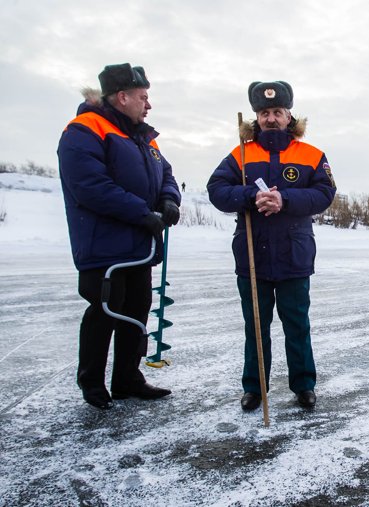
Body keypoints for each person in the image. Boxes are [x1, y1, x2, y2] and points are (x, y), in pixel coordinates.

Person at [58, 63, 181, 410]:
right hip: (103, 247)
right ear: (122, 96)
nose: (148, 104)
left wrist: (169, 199)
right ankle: (92, 383)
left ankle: (128, 378)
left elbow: (166, 173)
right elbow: (89, 186)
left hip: (138, 247)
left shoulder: (143, 138)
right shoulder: (84, 130)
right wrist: (141, 212)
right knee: (105, 312)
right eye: (143, 97)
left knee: (136, 310)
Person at [207, 81, 336, 411]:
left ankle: (303, 385)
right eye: (264, 113)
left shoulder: (311, 154)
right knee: (256, 327)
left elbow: (324, 194)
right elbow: (217, 189)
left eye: (277, 112)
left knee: (297, 325)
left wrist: (285, 199)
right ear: (256, 117)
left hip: (294, 255)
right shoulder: (242, 153)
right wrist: (250, 196)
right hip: (253, 254)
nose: (271, 119)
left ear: (289, 116)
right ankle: (255, 387)